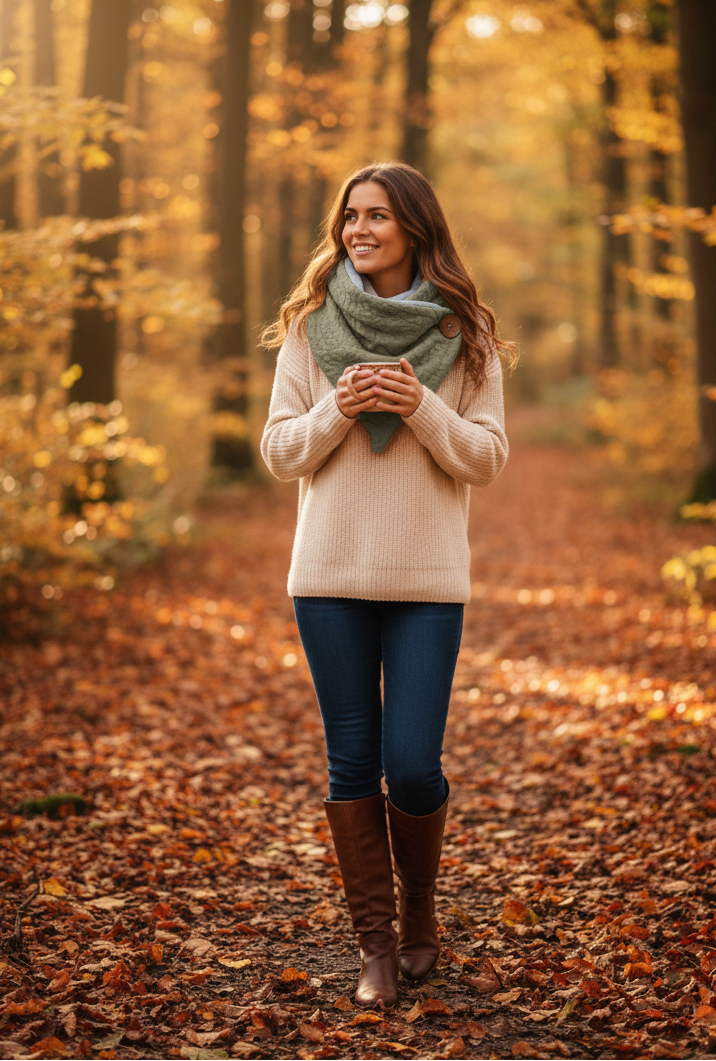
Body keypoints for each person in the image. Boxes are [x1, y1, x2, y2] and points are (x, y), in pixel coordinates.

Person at [260, 162, 512, 1009]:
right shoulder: (309, 327)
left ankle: (420, 911)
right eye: (350, 216)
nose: (358, 230)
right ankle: (374, 943)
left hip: (427, 580)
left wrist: (420, 407)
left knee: (412, 765)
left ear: (415, 227)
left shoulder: (465, 331)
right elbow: (279, 451)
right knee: (352, 761)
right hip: (327, 575)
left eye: (376, 216)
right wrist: (338, 407)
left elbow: (487, 456)